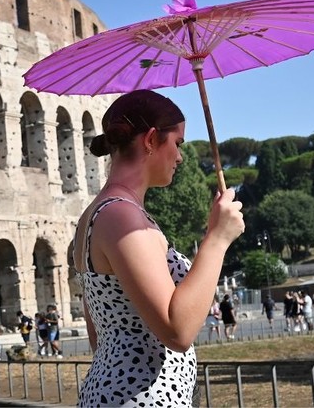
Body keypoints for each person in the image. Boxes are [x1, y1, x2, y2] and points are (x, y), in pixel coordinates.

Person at [71, 90, 244, 406]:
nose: (180, 157)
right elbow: (177, 330)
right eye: (177, 143)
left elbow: (101, 332)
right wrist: (217, 239)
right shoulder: (121, 216)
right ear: (151, 140)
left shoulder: (100, 213)